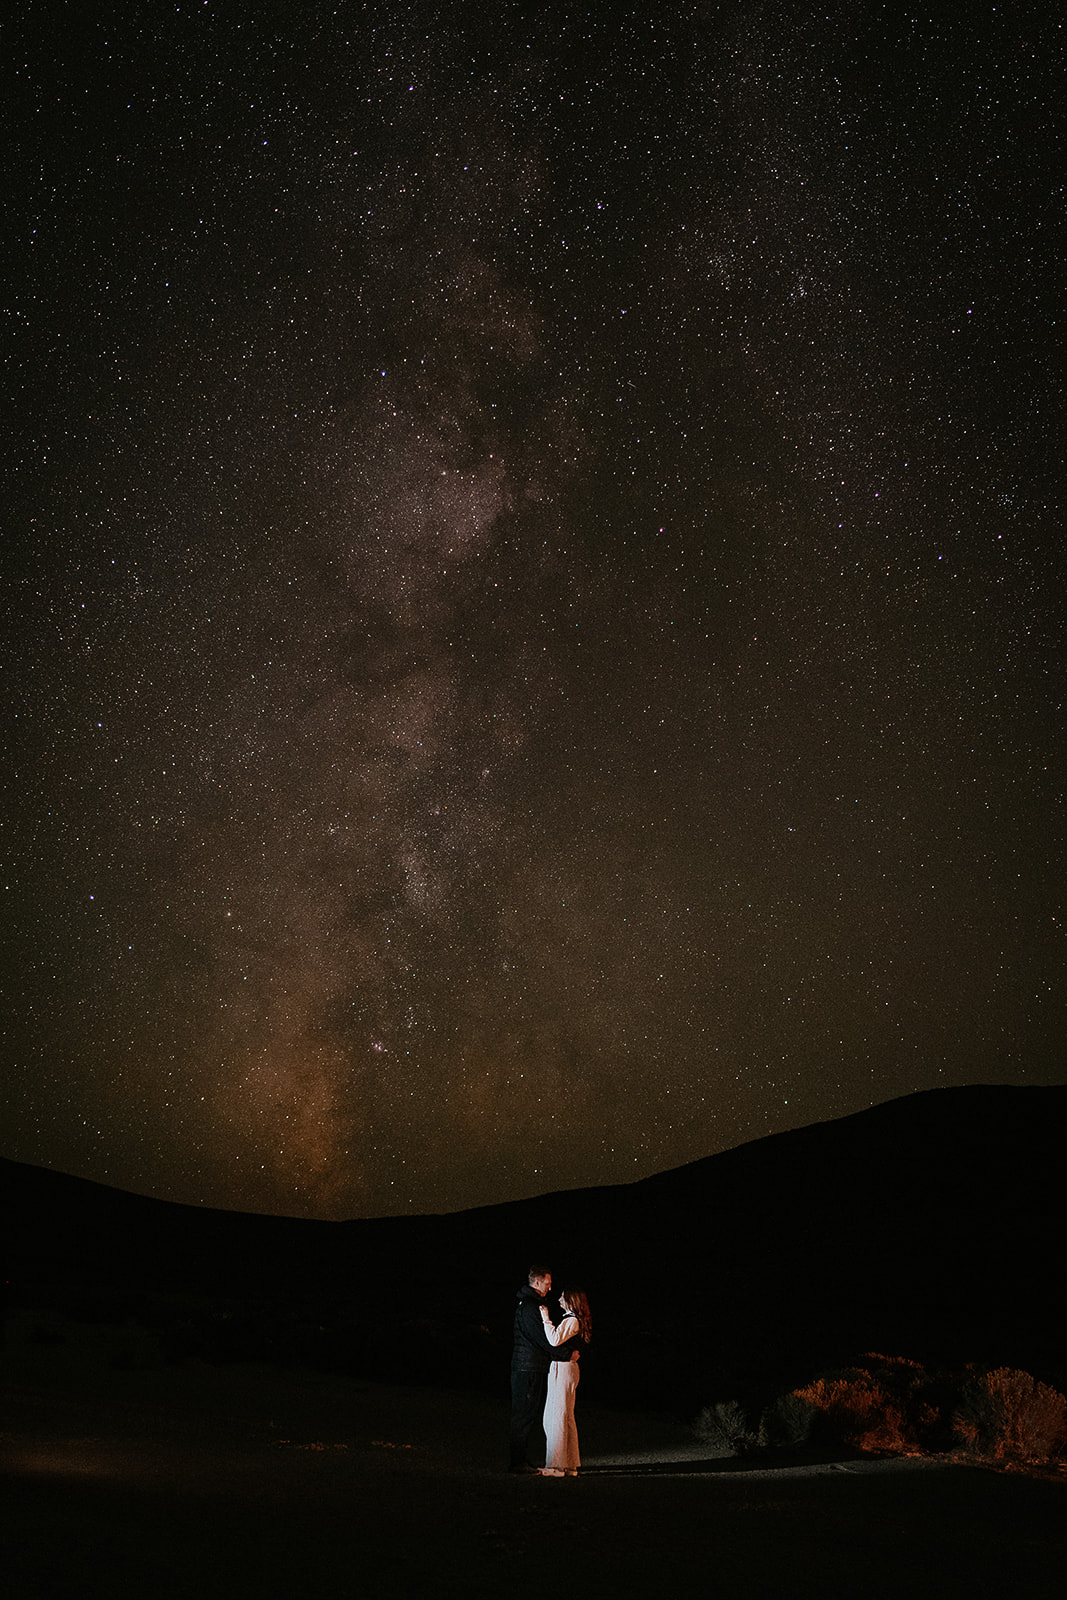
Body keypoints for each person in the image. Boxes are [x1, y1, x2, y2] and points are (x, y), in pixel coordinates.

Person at [509, 1265, 575, 1473]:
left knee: (526, 1413)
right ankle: (518, 1463)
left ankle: (520, 1460)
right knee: (524, 1414)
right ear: (536, 1282)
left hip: (527, 1366)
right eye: (547, 1283)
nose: (550, 1287)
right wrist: (565, 1355)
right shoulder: (531, 1306)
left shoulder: (529, 1304)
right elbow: (541, 1338)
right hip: (528, 1367)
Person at [538, 1286, 592, 1476]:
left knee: (556, 1415)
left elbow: (553, 1339)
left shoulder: (571, 1320)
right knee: (565, 1415)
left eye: (563, 1297)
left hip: (563, 1369)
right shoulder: (575, 1320)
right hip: (568, 1368)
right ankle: (569, 1464)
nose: (559, 1298)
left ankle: (556, 1465)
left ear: (571, 1301)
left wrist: (545, 1318)